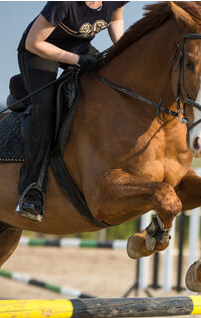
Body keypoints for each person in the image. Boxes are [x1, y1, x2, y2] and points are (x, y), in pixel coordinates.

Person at [15, 1, 127, 222]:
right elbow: (33, 42)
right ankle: (32, 190)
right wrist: (76, 61)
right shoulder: (64, 3)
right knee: (45, 108)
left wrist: (121, 49)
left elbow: (115, 18)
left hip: (79, 47)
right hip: (40, 50)